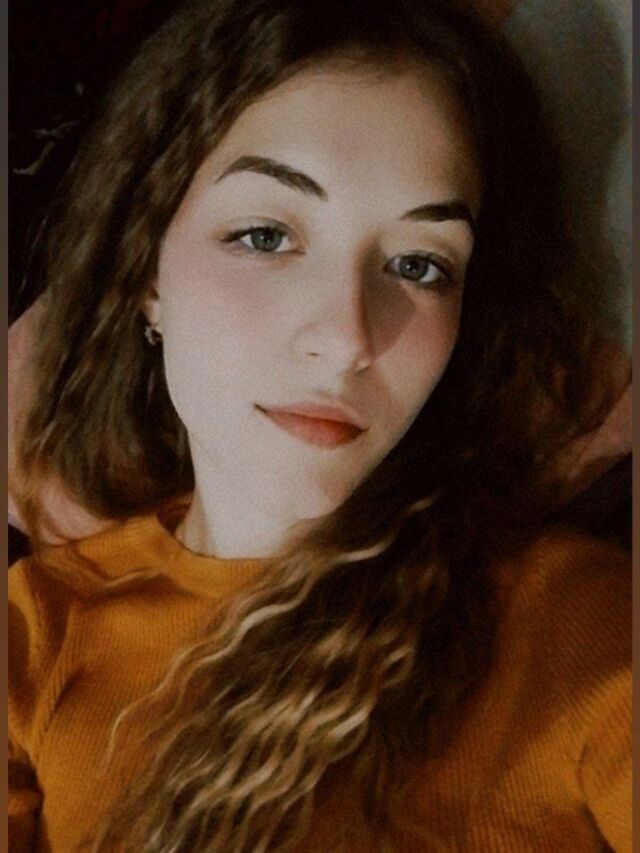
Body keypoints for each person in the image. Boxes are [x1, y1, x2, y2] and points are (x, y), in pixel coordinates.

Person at [8, 0, 631, 850]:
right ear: (146, 269)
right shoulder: (35, 635)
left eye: (419, 264)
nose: (347, 338)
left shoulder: (580, 629)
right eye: (266, 236)